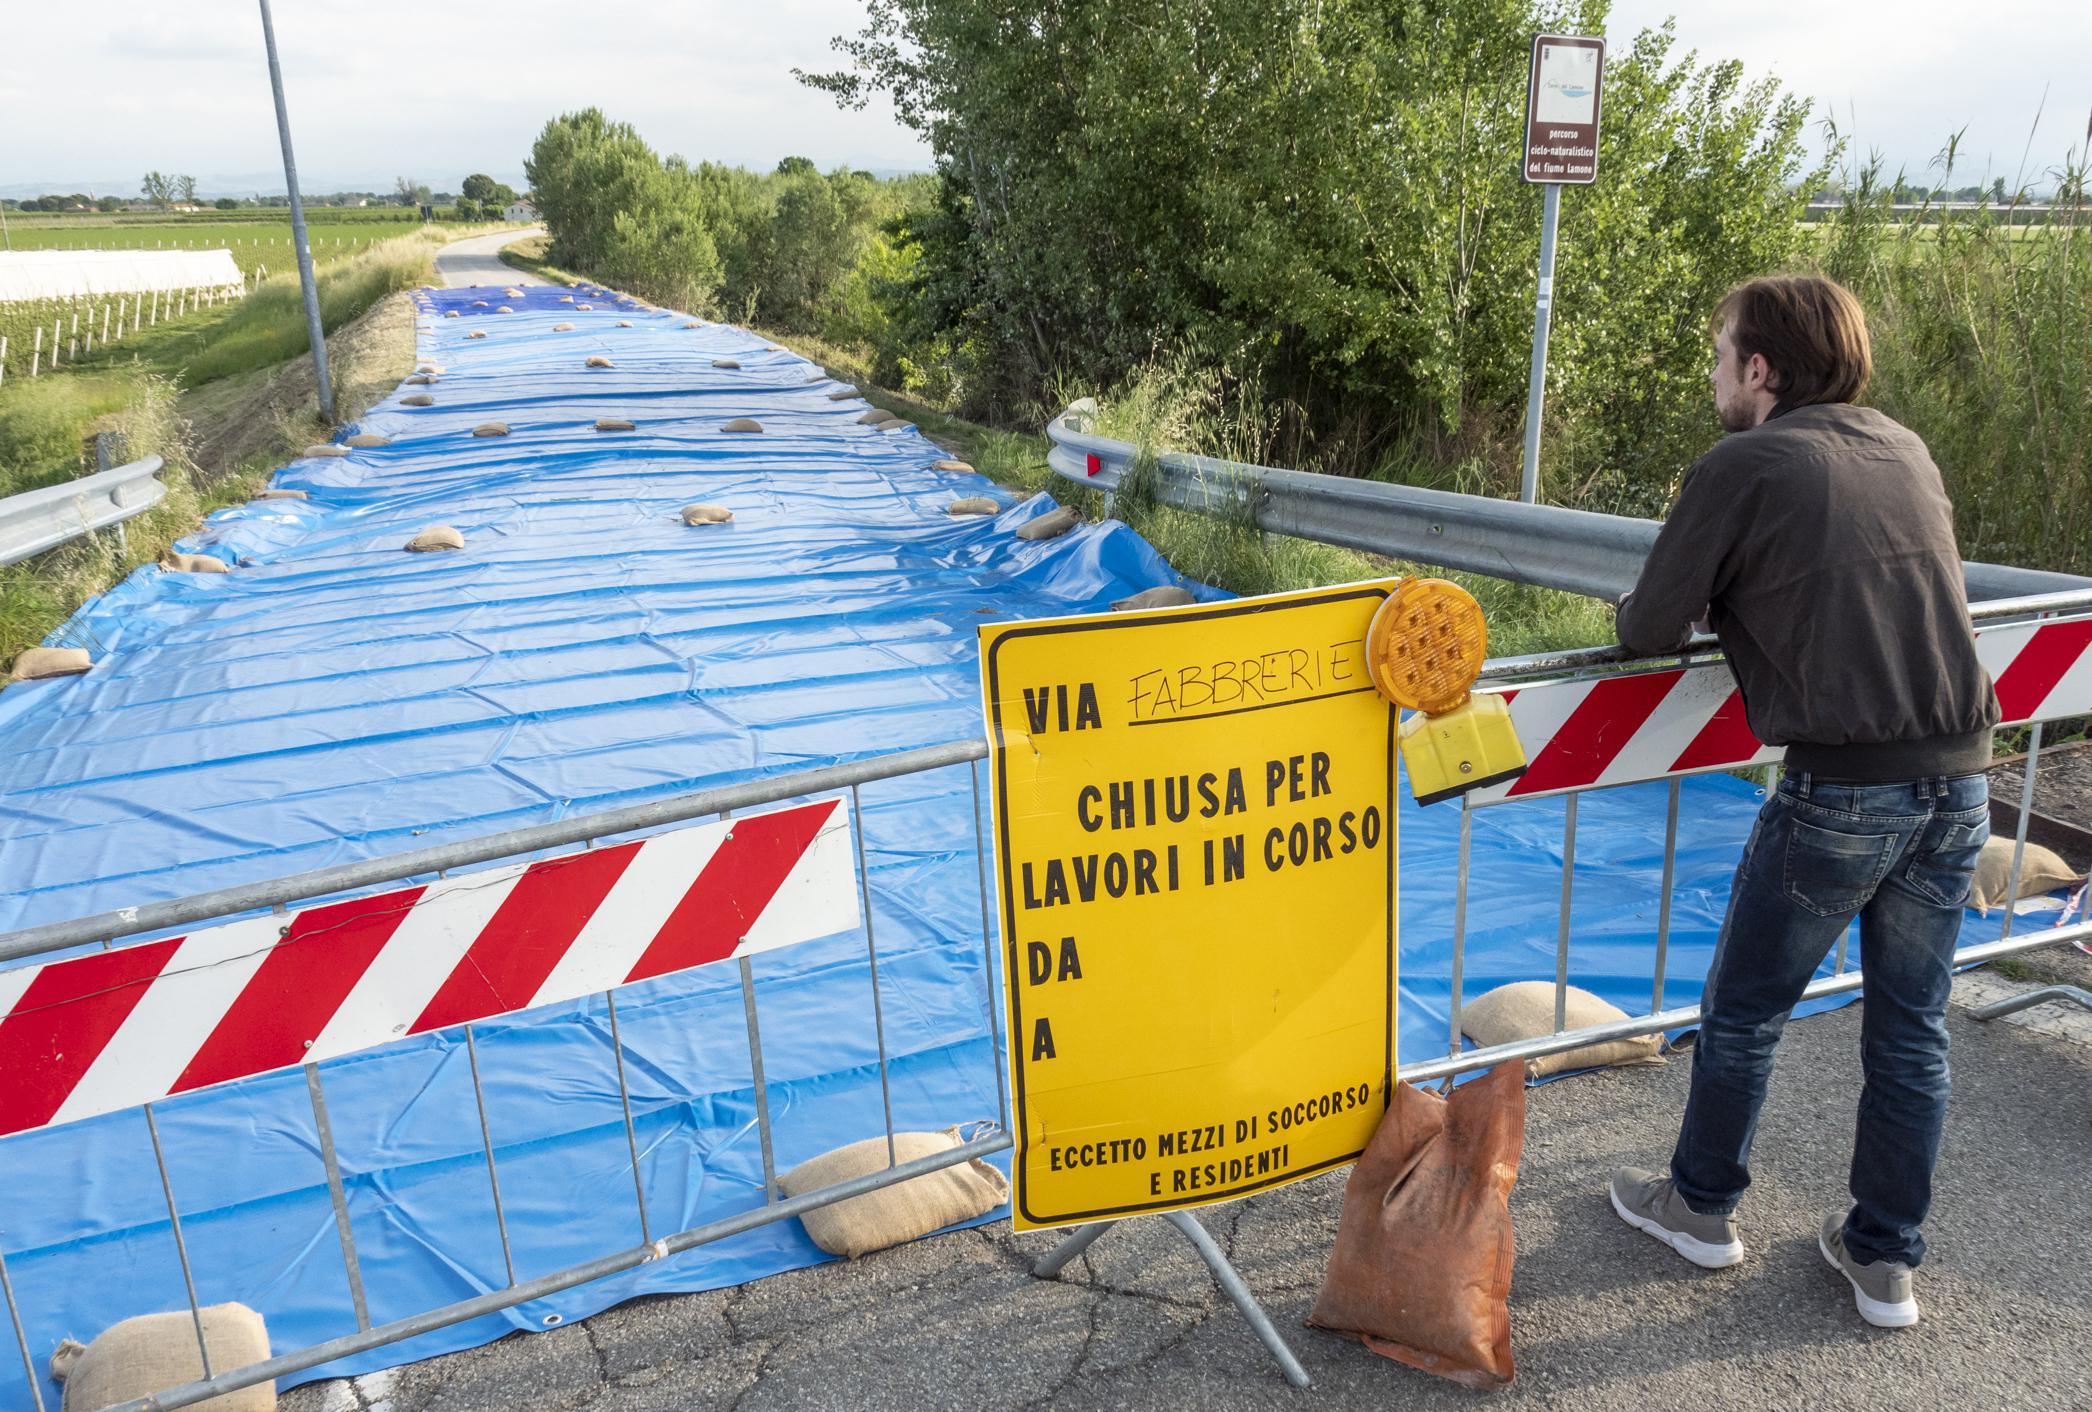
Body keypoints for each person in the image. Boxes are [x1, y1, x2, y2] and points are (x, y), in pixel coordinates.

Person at [1606, 275, 1999, 1329]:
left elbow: (1648, 624)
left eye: (1719, 350)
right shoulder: (1902, 446)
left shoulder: (1744, 462)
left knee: (1742, 1012)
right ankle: (1884, 1263)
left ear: (1761, 369)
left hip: (1845, 789)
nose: (1713, 371)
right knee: (1913, 1027)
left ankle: (1697, 1206)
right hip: (1962, 780)